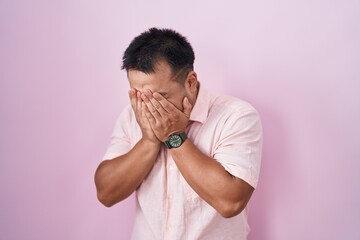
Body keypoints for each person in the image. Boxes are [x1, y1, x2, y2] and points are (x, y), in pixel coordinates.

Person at [94, 27, 263, 240]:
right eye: (139, 96)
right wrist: (148, 141)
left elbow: (230, 202)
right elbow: (106, 193)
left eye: (158, 96)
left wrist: (174, 137)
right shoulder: (131, 116)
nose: (149, 107)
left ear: (190, 82)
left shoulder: (236, 116)